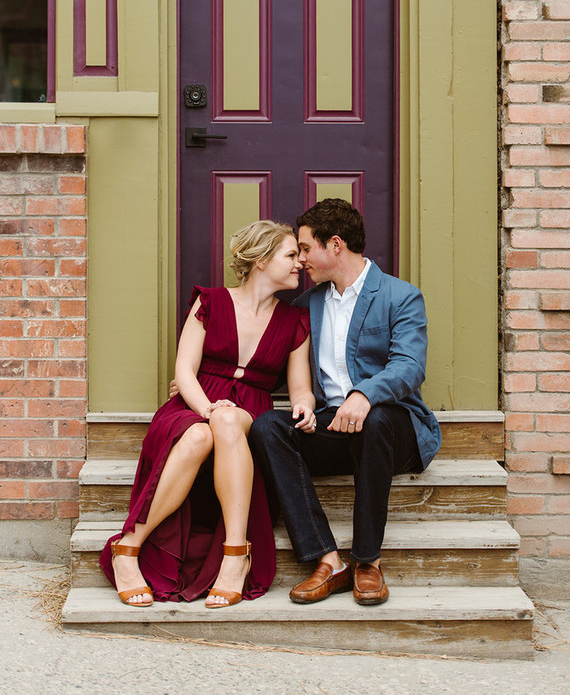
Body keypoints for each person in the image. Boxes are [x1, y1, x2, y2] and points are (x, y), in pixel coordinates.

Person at [99, 220, 315, 609]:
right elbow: (184, 371)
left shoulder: (294, 321)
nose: (300, 262)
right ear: (261, 260)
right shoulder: (211, 301)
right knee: (201, 434)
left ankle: (236, 556)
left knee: (229, 421)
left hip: (249, 409)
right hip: (193, 401)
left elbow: (301, 389)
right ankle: (127, 549)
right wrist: (207, 409)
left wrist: (305, 406)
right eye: (290, 254)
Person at [249, 199, 441, 606]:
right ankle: (327, 558)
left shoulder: (401, 296)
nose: (301, 260)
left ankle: (367, 561)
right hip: (331, 426)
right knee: (267, 427)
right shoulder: (305, 307)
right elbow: (266, 361)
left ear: (335, 245)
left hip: (393, 429)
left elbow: (409, 367)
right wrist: (209, 382)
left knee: (375, 422)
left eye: (304, 248)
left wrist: (364, 395)